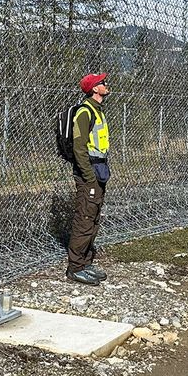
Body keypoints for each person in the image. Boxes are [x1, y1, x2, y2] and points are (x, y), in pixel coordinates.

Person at [66, 73, 111, 285]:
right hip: (89, 174)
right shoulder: (85, 112)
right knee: (84, 218)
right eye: (102, 83)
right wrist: (89, 176)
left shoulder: (97, 111)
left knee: (93, 217)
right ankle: (75, 268)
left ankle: (85, 262)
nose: (105, 84)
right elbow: (79, 147)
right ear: (94, 88)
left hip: (99, 169)